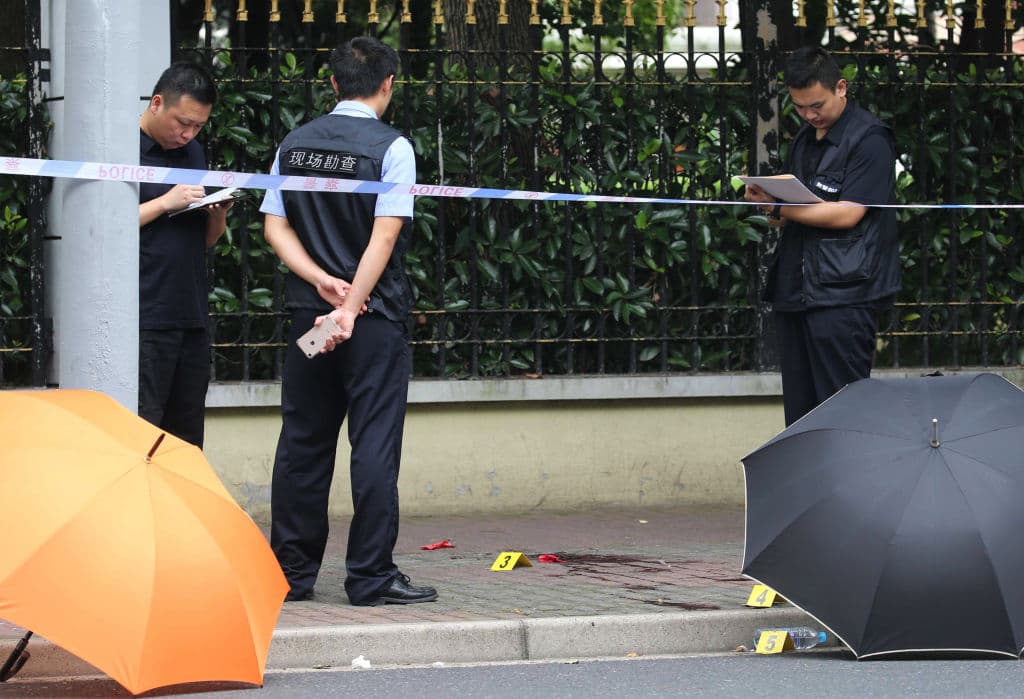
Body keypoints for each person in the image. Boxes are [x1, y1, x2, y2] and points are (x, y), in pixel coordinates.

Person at [260, 36, 437, 606]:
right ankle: (369, 578)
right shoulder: (394, 148)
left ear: (333, 83)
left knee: (303, 442)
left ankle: (289, 574)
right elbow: (385, 235)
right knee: (374, 445)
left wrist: (318, 282)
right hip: (372, 321)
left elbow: (275, 228)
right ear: (388, 85)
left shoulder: (294, 144)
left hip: (310, 320)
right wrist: (353, 307)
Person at [744, 46, 900, 426]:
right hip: (796, 290)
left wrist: (782, 208)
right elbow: (795, 215)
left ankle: (849, 486)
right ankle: (811, 487)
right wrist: (769, 203)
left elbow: (848, 213)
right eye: (799, 107)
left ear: (841, 88)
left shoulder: (871, 139)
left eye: (816, 105)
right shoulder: (804, 139)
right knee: (801, 414)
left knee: (842, 412)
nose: (809, 115)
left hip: (844, 295)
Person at [138, 62, 230, 448]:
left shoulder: (194, 153)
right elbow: (101, 233)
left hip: (190, 313)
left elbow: (205, 242)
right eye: (183, 122)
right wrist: (164, 202)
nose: (188, 134)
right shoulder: (119, 150)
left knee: (187, 434)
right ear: (157, 103)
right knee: (142, 430)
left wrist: (218, 216)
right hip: (144, 314)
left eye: (199, 127)